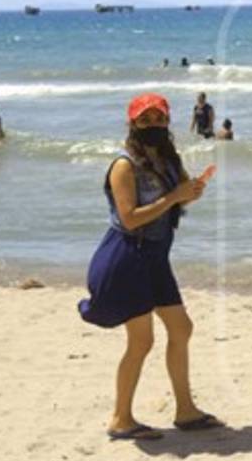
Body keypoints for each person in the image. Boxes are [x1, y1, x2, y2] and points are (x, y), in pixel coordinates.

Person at [76, 93, 220, 440]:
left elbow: (178, 197)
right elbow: (129, 218)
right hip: (127, 255)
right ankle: (120, 418)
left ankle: (185, 410)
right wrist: (173, 197)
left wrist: (193, 190)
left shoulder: (169, 159)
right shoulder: (124, 165)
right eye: (146, 119)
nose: (153, 125)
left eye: (159, 119)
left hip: (156, 256)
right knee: (141, 341)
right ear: (133, 124)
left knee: (181, 328)